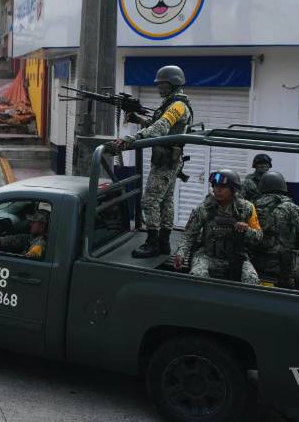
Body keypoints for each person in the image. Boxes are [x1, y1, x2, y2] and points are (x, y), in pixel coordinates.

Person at [110, 65, 193, 259]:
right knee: (165, 202)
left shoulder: (177, 106)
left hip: (166, 161)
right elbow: (160, 125)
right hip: (169, 159)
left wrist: (130, 139)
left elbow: (160, 129)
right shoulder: (173, 103)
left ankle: (152, 243)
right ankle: (163, 243)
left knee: (149, 201)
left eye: (161, 84)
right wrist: (138, 119)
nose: (158, 87)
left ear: (172, 83)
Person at [173, 170, 261, 284]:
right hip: (208, 256)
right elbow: (189, 235)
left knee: (251, 279)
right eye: (215, 186)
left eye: (223, 187)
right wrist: (181, 254)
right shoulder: (203, 208)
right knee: (197, 275)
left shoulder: (247, 208)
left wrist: (247, 230)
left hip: (236, 258)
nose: (217, 190)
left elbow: (259, 237)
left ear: (233, 189)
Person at [250, 171, 299, 290]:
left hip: (256, 262)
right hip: (283, 264)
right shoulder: (289, 207)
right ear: (282, 186)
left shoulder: (251, 205)